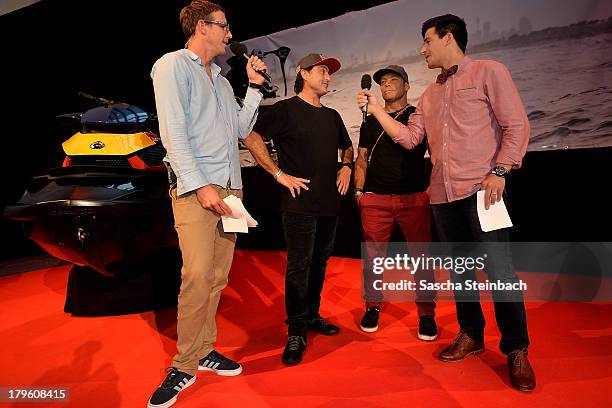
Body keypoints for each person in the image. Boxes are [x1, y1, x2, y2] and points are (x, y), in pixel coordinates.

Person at [356, 14, 535, 392]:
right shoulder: (428, 95)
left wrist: (500, 171)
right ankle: (471, 334)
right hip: (442, 196)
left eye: (426, 41)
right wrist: (374, 110)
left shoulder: (489, 72)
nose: (422, 49)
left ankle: (516, 349)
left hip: (483, 193)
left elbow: (517, 125)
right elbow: (408, 138)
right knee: (460, 272)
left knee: (501, 274)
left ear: (448, 38)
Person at [148, 1, 271, 406]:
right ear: (203, 27)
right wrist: (200, 185)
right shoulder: (172, 66)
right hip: (197, 188)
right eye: (224, 27)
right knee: (197, 274)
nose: (229, 34)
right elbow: (173, 132)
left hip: (231, 188)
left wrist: (252, 88)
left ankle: (204, 350)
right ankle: (183, 366)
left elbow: (238, 128)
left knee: (217, 277)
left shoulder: (219, 80)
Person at [243, 53, 354, 365]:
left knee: (319, 264)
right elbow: (251, 137)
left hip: (330, 202)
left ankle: (312, 316)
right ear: (303, 73)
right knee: (299, 266)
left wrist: (346, 166)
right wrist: (278, 174)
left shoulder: (332, 115)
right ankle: (295, 330)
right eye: (321, 71)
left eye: (329, 73)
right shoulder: (285, 110)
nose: (327, 77)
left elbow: (346, 146)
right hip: (299, 203)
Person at [355, 65, 437, 338]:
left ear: (407, 86)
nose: (387, 84)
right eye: (383, 81)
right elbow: (362, 158)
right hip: (375, 199)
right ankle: (372, 307)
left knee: (421, 259)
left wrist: (429, 189)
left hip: (413, 198)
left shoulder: (417, 115)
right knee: (373, 259)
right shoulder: (369, 122)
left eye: (393, 80)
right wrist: (359, 192)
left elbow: (432, 151)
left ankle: (426, 314)